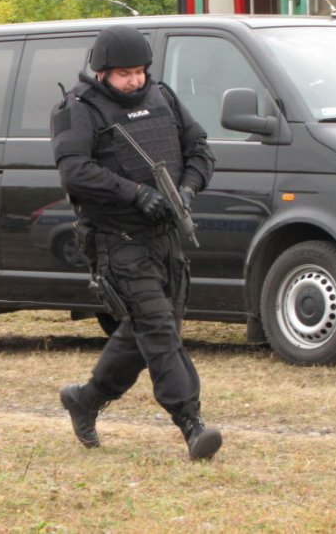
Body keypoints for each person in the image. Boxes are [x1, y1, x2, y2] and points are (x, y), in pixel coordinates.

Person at [50, 25, 221, 460]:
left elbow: (200, 148)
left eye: (140, 71)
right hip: (117, 239)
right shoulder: (78, 108)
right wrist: (136, 194)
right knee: (158, 329)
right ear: (102, 73)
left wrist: (186, 189)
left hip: (166, 237)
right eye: (124, 74)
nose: (135, 80)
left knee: (152, 329)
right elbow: (75, 171)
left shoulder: (163, 96)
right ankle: (191, 423)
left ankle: (86, 399)